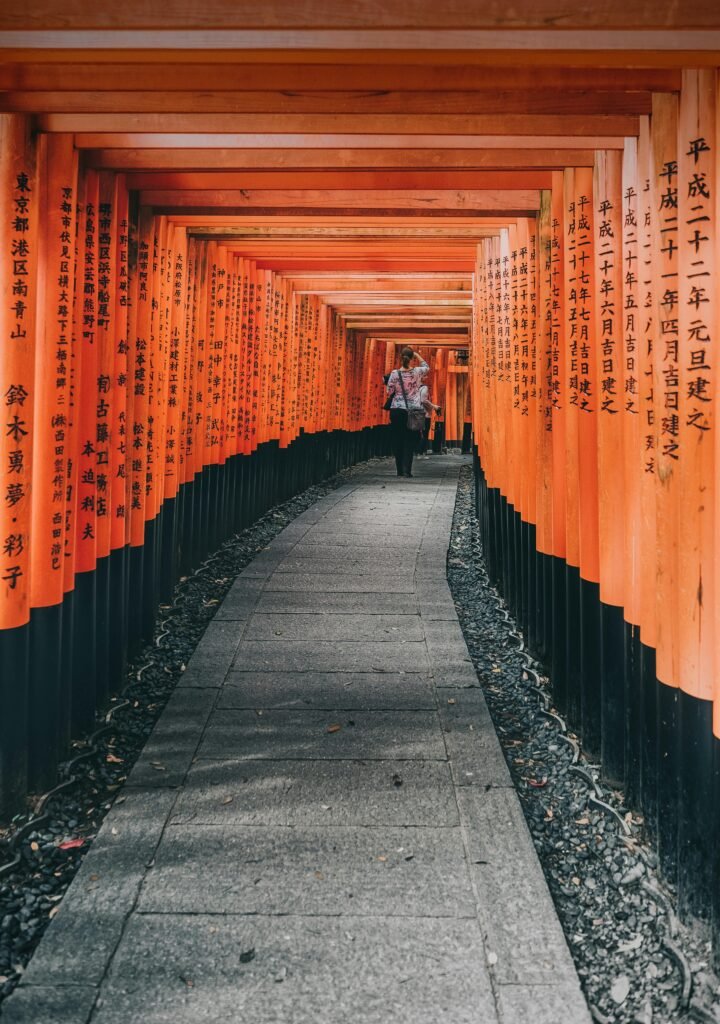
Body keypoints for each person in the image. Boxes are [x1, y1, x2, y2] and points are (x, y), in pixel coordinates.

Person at [385, 347, 428, 477]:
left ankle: (399, 470)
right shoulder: (417, 372)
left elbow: (389, 391)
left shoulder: (394, 374)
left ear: (400, 357)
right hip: (412, 411)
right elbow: (427, 366)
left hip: (397, 410)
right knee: (409, 440)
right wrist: (417, 356)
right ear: (411, 358)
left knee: (398, 439)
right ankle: (407, 471)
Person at [417, 384, 441, 456]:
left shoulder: (419, 388)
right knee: (425, 434)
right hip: (425, 414)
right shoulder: (425, 388)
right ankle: (421, 452)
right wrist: (434, 407)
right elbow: (424, 400)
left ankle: (420, 452)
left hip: (420, 414)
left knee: (422, 433)